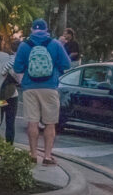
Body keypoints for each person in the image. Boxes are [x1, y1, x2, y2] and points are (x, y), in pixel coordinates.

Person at [12, 18, 73, 165]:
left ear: (32, 30)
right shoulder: (55, 44)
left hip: (30, 88)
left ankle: (33, 155)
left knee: (32, 122)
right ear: (46, 30)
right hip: (50, 87)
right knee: (50, 123)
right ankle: (47, 156)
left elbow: (17, 68)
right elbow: (67, 64)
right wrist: (55, 69)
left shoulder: (24, 46)